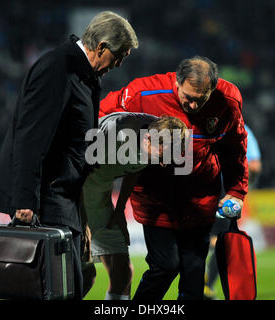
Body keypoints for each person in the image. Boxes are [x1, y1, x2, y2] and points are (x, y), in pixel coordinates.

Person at [0, 11, 138, 300]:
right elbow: (30, 139)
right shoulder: (58, 67)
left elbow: (76, 153)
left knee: (75, 282)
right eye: (120, 56)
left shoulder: (83, 74)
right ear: (102, 47)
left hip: (65, 199)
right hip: (46, 198)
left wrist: (83, 221)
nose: (119, 64)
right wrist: (25, 202)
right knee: (59, 287)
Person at [99, 56, 249, 300]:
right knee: (165, 266)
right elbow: (100, 117)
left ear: (213, 88)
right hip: (155, 199)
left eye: (200, 100)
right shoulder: (142, 93)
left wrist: (235, 191)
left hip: (200, 199)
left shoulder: (228, 100)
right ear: (176, 83)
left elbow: (236, 147)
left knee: (193, 273)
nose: (192, 106)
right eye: (187, 98)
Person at [81, 112, 189, 300]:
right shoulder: (115, 136)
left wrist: (120, 208)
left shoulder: (159, 135)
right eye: (162, 157)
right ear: (148, 139)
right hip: (74, 199)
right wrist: (82, 225)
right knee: (83, 276)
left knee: (122, 274)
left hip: (101, 197)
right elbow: (74, 176)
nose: (163, 164)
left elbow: (133, 169)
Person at [204, 124, 262, 299]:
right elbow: (254, 166)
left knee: (208, 236)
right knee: (226, 239)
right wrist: (245, 186)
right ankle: (205, 285)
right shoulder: (242, 129)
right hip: (228, 191)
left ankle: (200, 284)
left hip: (199, 187)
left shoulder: (199, 121)